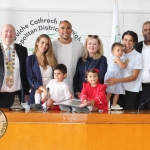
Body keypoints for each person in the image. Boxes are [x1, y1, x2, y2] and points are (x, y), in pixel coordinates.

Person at [106, 31, 143, 110]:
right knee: (114, 117)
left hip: (130, 91)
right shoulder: (117, 53)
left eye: (130, 40)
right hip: (115, 88)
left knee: (128, 118)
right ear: (122, 40)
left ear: (134, 42)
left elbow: (134, 77)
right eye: (125, 39)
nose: (127, 42)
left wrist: (117, 80)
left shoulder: (138, 56)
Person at [0, 24, 29, 108]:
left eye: (11, 31)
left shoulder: (22, 50)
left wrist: (26, 92)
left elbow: (25, 72)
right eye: (6, 31)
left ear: (15, 34)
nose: (9, 34)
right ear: (0, 34)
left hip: (16, 96)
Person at [52, 20, 84, 94]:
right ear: (58, 30)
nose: (65, 30)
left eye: (68, 28)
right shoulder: (52, 46)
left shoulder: (79, 46)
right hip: (56, 88)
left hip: (74, 88)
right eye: (62, 28)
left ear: (71, 30)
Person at [26, 34, 57, 105]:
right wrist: (43, 89)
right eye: (42, 42)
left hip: (52, 94)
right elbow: (30, 78)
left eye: (47, 44)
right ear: (37, 42)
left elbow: (56, 75)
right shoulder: (30, 59)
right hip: (37, 93)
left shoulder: (52, 59)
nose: (44, 46)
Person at [104, 42, 129, 110]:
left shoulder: (117, 58)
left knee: (117, 93)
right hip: (112, 78)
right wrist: (126, 63)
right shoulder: (116, 58)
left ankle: (114, 105)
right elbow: (123, 66)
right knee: (110, 93)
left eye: (122, 50)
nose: (120, 52)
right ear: (112, 52)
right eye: (118, 50)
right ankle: (105, 106)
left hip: (117, 77)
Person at [135, 21, 150, 109]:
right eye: (145, 30)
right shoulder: (137, 46)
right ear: (142, 32)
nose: (148, 32)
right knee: (139, 116)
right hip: (139, 88)